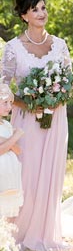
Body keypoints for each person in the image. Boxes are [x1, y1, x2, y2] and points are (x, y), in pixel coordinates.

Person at [1, 0, 71, 251]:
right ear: (23, 15)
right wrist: (30, 102)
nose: (42, 13)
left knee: (51, 172)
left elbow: (67, 82)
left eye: (43, 7)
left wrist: (54, 99)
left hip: (56, 118)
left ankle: (45, 232)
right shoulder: (13, 49)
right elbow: (3, 87)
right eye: (35, 9)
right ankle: (18, 232)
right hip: (26, 120)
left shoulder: (60, 45)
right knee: (27, 173)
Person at [0, 83, 24, 218]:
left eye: (10, 103)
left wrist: (7, 141)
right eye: (5, 103)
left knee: (5, 210)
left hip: (9, 174)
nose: (9, 107)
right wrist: (15, 136)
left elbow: (18, 150)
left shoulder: (7, 125)